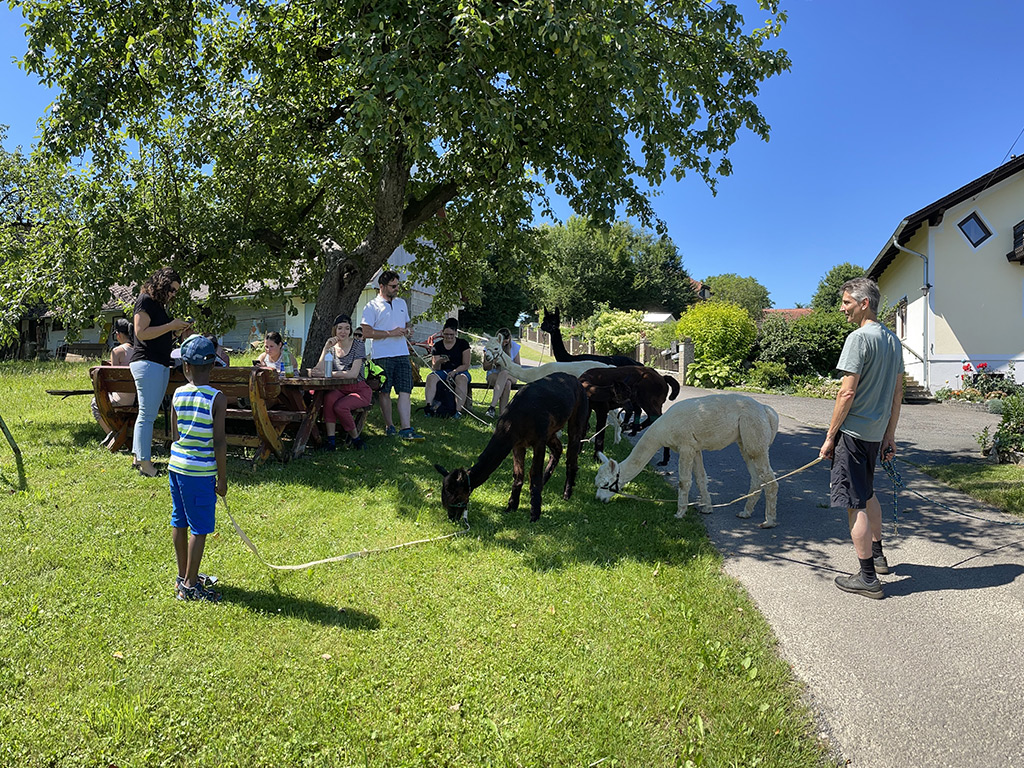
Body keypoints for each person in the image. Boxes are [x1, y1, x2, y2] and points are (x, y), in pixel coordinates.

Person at [819, 277, 904, 600]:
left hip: (853, 434)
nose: (843, 309)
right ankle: (879, 556)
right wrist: (889, 435)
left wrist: (830, 437)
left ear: (863, 303)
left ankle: (868, 577)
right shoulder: (893, 341)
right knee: (867, 494)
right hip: (874, 435)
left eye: (846, 303)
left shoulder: (858, 338)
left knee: (855, 503)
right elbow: (897, 394)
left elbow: (847, 392)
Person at [169, 335, 226, 602]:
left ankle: (183, 576)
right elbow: (219, 442)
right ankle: (191, 586)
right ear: (212, 365)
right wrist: (222, 479)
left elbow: (174, 434)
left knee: (179, 520)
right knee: (199, 528)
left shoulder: (177, 394)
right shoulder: (217, 398)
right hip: (200, 473)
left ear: (186, 367)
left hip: (176, 467)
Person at [130, 267, 192, 478]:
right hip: (148, 363)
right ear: (162, 284)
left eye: (176, 291)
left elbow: (157, 333)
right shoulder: (145, 300)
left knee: (145, 415)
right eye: (172, 289)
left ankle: (139, 458)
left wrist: (175, 330)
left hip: (157, 363)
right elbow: (141, 333)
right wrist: (169, 326)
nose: (173, 294)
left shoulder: (155, 304)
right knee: (147, 416)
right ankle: (146, 465)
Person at [360, 270, 425, 441]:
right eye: (393, 286)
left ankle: (406, 428)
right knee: (385, 391)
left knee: (405, 390)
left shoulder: (402, 303)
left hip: (402, 353)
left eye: (398, 285)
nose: (397, 289)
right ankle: (389, 426)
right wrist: (390, 333)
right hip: (382, 355)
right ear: (382, 287)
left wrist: (408, 331)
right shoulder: (371, 306)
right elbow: (365, 332)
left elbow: (406, 324)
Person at [312, 314, 372, 450]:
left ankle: (356, 439)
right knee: (329, 399)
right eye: (340, 328)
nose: (343, 332)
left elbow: (353, 373)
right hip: (340, 388)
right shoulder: (332, 349)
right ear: (335, 330)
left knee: (340, 406)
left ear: (350, 330)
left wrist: (329, 374)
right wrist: (326, 348)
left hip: (359, 388)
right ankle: (331, 441)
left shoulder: (358, 345)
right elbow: (318, 369)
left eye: (346, 328)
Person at [92, 317, 136, 442]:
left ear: (119, 334)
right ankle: (122, 434)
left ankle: (113, 434)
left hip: (122, 399)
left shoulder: (117, 351)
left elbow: (112, 378)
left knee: (95, 403)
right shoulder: (139, 351)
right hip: (138, 398)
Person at [424, 318, 471, 418]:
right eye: (446, 334)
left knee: (461, 379)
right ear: (442, 333)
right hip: (443, 371)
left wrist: (455, 371)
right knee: (431, 378)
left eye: (451, 335)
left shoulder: (463, 344)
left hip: (460, 370)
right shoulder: (438, 345)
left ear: (455, 333)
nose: (448, 337)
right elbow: (435, 368)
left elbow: (466, 364)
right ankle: (429, 407)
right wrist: (439, 361)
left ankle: (458, 411)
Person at [482, 327, 520, 419]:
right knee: (507, 383)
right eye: (502, 342)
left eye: (506, 342)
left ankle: (492, 407)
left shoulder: (514, 346)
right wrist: (494, 362)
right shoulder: (491, 345)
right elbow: (485, 367)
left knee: (505, 373)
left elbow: (518, 366)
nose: (504, 344)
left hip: (511, 375)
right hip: (494, 374)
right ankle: (502, 415)